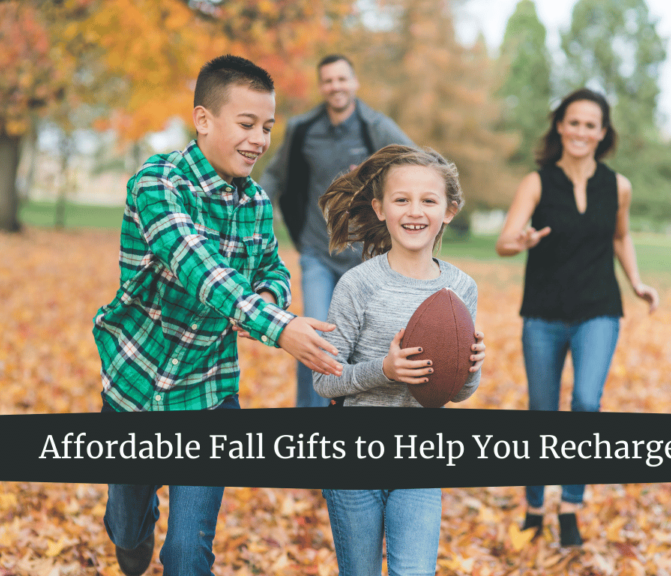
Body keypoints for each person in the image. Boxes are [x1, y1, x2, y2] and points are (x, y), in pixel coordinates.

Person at [91, 55, 344, 576]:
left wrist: (268, 302)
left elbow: (271, 269)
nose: (258, 139)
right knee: (127, 531)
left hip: (209, 392)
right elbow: (195, 263)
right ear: (204, 120)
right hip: (135, 386)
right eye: (247, 124)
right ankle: (132, 532)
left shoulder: (253, 200)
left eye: (267, 127)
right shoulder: (157, 183)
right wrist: (279, 327)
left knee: (188, 553)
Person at [495, 88, 660, 548]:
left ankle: (570, 507)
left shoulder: (618, 185)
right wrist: (521, 241)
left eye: (591, 124)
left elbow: (620, 238)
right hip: (543, 314)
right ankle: (533, 508)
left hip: (599, 310)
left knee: (586, 404)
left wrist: (637, 282)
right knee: (542, 413)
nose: (581, 131)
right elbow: (504, 241)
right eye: (573, 122)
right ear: (560, 127)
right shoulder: (537, 181)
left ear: (603, 132)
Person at [313, 144, 487, 574]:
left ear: (449, 210)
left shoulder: (460, 289)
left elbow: (458, 392)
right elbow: (325, 380)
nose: (415, 210)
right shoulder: (358, 285)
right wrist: (384, 370)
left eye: (429, 200)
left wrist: (472, 366)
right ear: (379, 208)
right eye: (401, 199)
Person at [260, 54, 415, 408]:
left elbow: (417, 163)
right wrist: (255, 208)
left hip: (367, 258)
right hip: (319, 252)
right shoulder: (303, 128)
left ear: (354, 82)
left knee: (368, 346)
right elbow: (274, 175)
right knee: (314, 338)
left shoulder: (376, 127)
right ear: (321, 87)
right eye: (328, 81)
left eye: (342, 79)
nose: (336, 87)